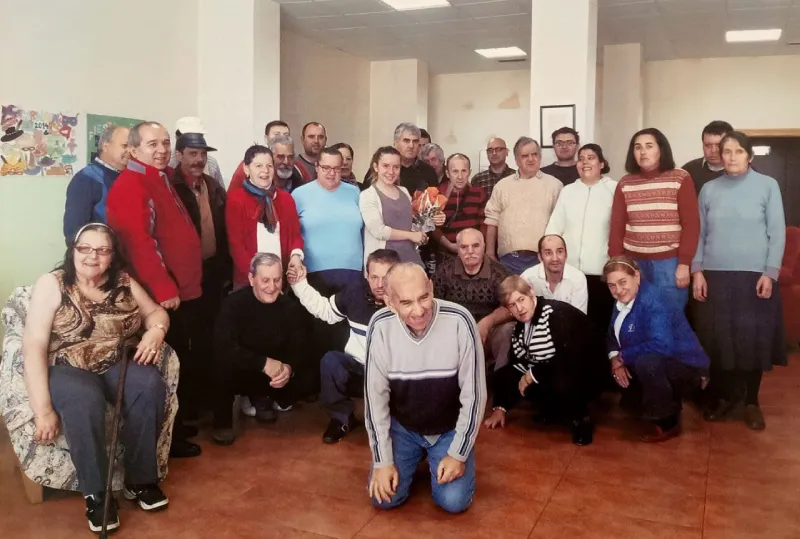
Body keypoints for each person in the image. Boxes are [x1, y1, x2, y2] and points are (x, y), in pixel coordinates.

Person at [22, 223, 170, 532]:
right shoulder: (53, 284)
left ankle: (140, 481)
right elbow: (33, 344)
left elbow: (156, 312)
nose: (93, 256)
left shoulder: (124, 281)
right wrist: (43, 411)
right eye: (85, 249)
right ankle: (97, 494)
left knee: (148, 385)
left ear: (112, 255)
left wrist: (156, 331)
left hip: (116, 362)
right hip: (68, 366)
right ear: (72, 251)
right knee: (83, 399)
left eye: (102, 250)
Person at [106, 121, 203, 458]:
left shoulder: (157, 176)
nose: (161, 150)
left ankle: (176, 425)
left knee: (180, 362)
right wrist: (163, 289)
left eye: (164, 143)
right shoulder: (131, 184)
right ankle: (167, 439)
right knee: (164, 368)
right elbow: (138, 245)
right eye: (152, 144)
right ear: (133, 150)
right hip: (161, 297)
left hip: (183, 289)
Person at [365, 263, 486, 514]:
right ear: (390, 302)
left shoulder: (460, 320)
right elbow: (374, 399)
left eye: (424, 297)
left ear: (431, 287)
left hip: (448, 429)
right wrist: (382, 460)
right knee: (384, 498)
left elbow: (474, 395)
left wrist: (458, 453)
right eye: (406, 302)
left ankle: (437, 455)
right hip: (404, 428)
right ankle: (416, 455)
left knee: (453, 501)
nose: (419, 310)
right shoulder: (380, 326)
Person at [692, 131, 786, 430]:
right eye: (726, 151)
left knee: (751, 341)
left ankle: (751, 402)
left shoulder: (767, 185)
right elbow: (699, 233)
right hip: (715, 276)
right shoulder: (708, 189)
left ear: (750, 155)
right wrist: (697, 271)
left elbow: (777, 232)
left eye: (738, 151)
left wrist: (770, 272)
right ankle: (724, 397)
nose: (731, 157)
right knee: (719, 341)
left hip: (754, 278)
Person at [289, 249, 400, 443]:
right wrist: (298, 284)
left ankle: (401, 425)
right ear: (367, 276)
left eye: (386, 278)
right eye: (374, 277)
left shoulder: (408, 301)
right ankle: (341, 418)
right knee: (331, 361)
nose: (379, 284)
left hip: (394, 372)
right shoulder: (355, 294)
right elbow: (325, 311)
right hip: (360, 368)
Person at [483, 276, 605, 446]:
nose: (519, 308)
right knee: (505, 373)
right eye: (512, 305)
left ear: (531, 293)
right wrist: (500, 407)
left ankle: (581, 419)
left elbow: (571, 357)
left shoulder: (554, 315)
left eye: (521, 299)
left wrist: (534, 373)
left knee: (560, 378)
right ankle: (553, 410)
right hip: (552, 370)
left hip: (587, 372)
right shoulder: (520, 328)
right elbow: (516, 365)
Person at [605, 256, 710, 442]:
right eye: (612, 285)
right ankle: (655, 403)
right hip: (659, 360)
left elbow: (663, 345)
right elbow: (612, 334)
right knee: (638, 370)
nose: (618, 290)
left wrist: (622, 357)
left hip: (688, 367)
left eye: (622, 282)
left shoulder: (655, 299)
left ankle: (667, 422)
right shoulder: (622, 299)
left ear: (637, 276)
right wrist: (614, 358)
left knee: (647, 362)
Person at [211, 253, 307, 445]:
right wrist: (263, 363)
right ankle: (222, 422)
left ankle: (263, 398)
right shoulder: (233, 304)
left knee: (311, 373)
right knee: (220, 364)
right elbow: (224, 346)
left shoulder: (289, 307)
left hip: (275, 373)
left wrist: (289, 368)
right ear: (251, 278)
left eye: (277, 280)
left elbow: (299, 345)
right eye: (265, 280)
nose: (272, 287)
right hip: (243, 368)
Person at [609, 128, 699, 315]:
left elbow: (691, 224)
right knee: (636, 317)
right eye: (638, 147)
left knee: (669, 317)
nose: (643, 152)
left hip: (669, 264)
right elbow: (617, 226)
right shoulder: (625, 183)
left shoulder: (680, 178)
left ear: (661, 149)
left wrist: (684, 263)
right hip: (633, 263)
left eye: (649, 146)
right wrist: (616, 263)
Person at [545, 143, 617, 328]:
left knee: (598, 325)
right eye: (581, 159)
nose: (585, 162)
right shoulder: (568, 191)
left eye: (591, 158)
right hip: (570, 273)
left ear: (602, 163)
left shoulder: (614, 190)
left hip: (601, 273)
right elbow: (554, 228)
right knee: (569, 325)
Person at [226, 145, 304, 288]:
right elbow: (236, 245)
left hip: (280, 279)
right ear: (246, 169)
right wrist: (256, 276)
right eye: (258, 166)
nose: (265, 171)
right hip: (249, 279)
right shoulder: (235, 200)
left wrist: (296, 256)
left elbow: (295, 236)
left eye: (269, 165)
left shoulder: (286, 199)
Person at [433, 228, 513, 368]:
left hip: (488, 333)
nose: (470, 251)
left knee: (508, 329)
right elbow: (434, 303)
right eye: (464, 247)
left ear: (484, 246)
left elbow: (510, 306)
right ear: (458, 250)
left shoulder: (500, 273)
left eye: (475, 246)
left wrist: (487, 322)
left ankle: (500, 376)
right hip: (454, 333)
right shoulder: (444, 271)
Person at [484, 136, 563, 274]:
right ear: (516, 160)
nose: (531, 159)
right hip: (509, 260)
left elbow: (561, 223)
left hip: (543, 259)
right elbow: (492, 221)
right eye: (525, 156)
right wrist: (490, 252)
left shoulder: (555, 185)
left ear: (540, 156)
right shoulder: (502, 186)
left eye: (534, 154)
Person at [292, 147, 363, 295]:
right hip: (313, 273)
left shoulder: (355, 192)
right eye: (326, 168)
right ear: (317, 167)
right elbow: (291, 234)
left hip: (353, 272)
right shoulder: (299, 195)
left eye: (336, 168)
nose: (331, 173)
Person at [361, 146, 429, 270]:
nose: (391, 172)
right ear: (376, 167)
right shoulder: (368, 195)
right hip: (384, 264)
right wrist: (410, 235)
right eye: (385, 166)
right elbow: (378, 231)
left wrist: (423, 230)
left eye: (396, 167)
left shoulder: (404, 191)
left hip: (410, 260)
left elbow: (411, 223)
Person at [63, 125, 130, 242]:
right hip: (102, 251)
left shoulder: (129, 177)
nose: (130, 151)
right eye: (125, 145)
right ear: (106, 146)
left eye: (132, 146)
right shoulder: (86, 179)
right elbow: (74, 232)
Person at [431, 154, 487, 257]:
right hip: (446, 254)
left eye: (464, 171)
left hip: (473, 252)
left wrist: (476, 246)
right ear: (447, 173)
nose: (460, 177)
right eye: (455, 171)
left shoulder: (479, 193)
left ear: (469, 172)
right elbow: (433, 227)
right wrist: (449, 245)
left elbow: (483, 224)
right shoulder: (436, 194)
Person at [521, 235, 588, 314]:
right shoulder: (527, 278)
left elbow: (579, 317)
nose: (555, 258)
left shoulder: (578, 278)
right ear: (540, 257)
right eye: (548, 253)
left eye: (559, 252)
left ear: (566, 254)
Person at [363, 123, 438, 193]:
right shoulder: (382, 169)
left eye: (415, 141)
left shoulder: (428, 171)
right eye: (406, 141)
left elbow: (436, 199)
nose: (411, 146)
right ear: (396, 142)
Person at [228, 121, 293, 191]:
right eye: (277, 135)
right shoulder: (249, 165)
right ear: (266, 139)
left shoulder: (298, 168)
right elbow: (233, 193)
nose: (282, 138)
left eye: (286, 135)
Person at [169, 117, 224, 188]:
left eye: (198, 136)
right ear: (177, 137)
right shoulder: (168, 162)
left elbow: (221, 191)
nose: (194, 140)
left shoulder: (211, 164)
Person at [682, 120, 733, 194]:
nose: (713, 150)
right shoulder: (688, 171)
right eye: (708, 145)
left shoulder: (742, 170)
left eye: (718, 145)